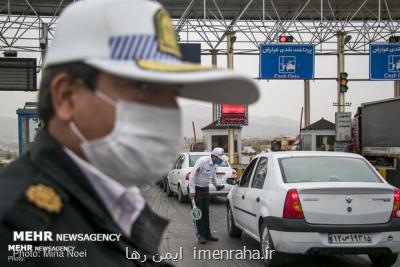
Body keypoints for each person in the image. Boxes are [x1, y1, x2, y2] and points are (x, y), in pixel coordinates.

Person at [0, 0, 259, 266]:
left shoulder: (116, 202)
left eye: (172, 93)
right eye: (144, 87)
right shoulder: (16, 226)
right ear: (67, 97)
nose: (166, 112)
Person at [188, 148, 229, 244]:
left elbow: (213, 177)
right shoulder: (202, 161)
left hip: (205, 189)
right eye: (220, 158)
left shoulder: (215, 165)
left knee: (206, 212)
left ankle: (207, 234)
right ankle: (200, 235)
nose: (221, 160)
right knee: (198, 213)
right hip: (196, 189)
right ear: (214, 156)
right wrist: (192, 191)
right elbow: (192, 176)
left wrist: (217, 186)